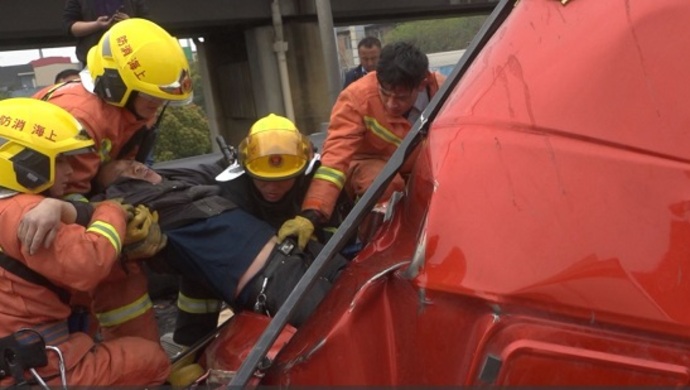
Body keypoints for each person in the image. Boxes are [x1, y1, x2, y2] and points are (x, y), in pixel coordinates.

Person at [19, 17, 192, 347]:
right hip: (42, 231)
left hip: (62, 219)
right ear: (117, 87)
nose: (155, 114)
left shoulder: (119, 108)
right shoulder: (80, 117)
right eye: (152, 103)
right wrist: (121, 222)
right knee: (112, 287)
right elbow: (70, 200)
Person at [0, 98, 169, 387]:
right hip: (43, 370)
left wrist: (68, 209)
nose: (71, 171)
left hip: (22, 360)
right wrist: (112, 210)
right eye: (60, 160)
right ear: (27, 162)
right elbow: (88, 263)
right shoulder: (26, 215)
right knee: (152, 360)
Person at [94, 159, 346, 344]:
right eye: (124, 174)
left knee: (376, 299)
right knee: (344, 332)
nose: (136, 167)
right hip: (279, 282)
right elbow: (93, 210)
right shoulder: (145, 211)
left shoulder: (184, 184)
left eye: (132, 162)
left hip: (306, 254)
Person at [278, 41, 446, 249]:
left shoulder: (444, 92)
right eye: (385, 94)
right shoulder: (355, 99)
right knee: (385, 184)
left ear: (421, 84)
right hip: (366, 164)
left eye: (401, 97)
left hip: (417, 166)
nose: (392, 104)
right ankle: (377, 247)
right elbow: (334, 160)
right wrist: (311, 213)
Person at [63, 0, 150, 67]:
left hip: (130, 58)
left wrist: (129, 22)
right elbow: (71, 27)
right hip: (94, 60)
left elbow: (147, 26)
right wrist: (97, 25)